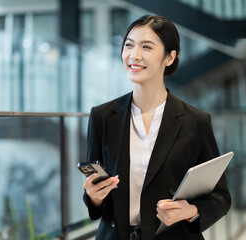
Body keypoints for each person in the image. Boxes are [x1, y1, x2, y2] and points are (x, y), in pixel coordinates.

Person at [82, 15, 231, 240]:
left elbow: (220, 197)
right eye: (129, 45)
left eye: (147, 47)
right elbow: (96, 198)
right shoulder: (102, 117)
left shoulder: (195, 121)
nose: (134, 55)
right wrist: (93, 196)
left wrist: (190, 211)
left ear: (169, 57)